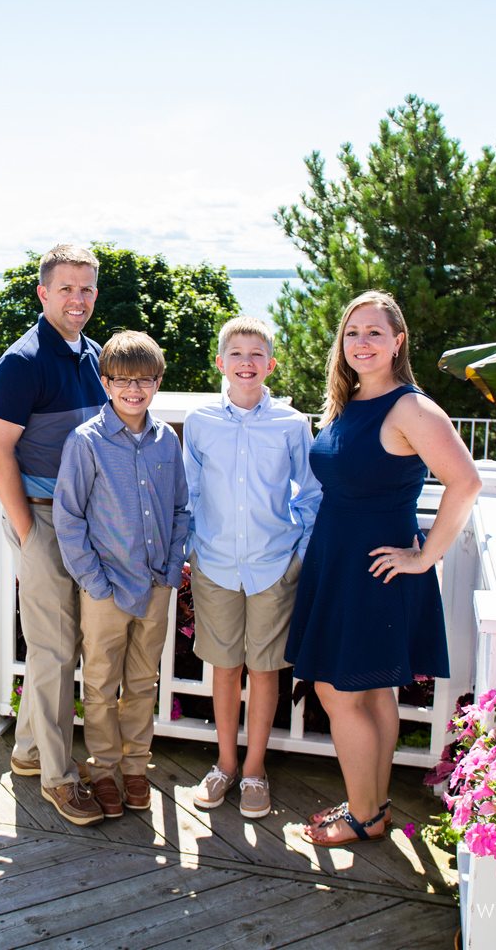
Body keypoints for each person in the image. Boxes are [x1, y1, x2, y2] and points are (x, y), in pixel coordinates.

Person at [286, 290, 481, 847]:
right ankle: (370, 808)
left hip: (375, 569)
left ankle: (364, 815)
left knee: (338, 691)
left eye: (374, 332)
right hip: (340, 560)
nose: (361, 343)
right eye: (352, 333)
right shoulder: (351, 402)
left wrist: (424, 556)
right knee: (370, 694)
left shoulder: (411, 408)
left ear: (398, 342)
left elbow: (465, 482)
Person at [0, 243, 108, 827]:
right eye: (66, 289)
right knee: (58, 648)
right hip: (42, 520)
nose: (77, 299)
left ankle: (30, 751)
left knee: (55, 645)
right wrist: (29, 531)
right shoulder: (22, 362)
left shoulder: (94, 356)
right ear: (43, 293)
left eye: (86, 289)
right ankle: (60, 779)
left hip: (86, 523)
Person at [182, 317, 320, 819]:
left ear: (271, 365)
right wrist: (192, 548)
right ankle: (224, 764)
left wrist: (298, 554)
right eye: (236, 353)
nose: (246, 362)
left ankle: (256, 769)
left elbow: (311, 491)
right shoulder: (199, 423)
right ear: (221, 363)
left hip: (273, 565)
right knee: (224, 667)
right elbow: (189, 492)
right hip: (215, 564)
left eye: (256, 354)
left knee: (264, 671)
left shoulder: (291, 423)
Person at [53, 331, 191, 819]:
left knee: (142, 682)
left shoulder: (166, 440)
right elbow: (69, 518)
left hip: (155, 585)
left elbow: (180, 508)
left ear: (158, 383)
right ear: (106, 382)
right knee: (100, 682)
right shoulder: (86, 442)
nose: (135, 390)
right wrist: (94, 582)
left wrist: (171, 572)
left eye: (145, 381)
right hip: (106, 587)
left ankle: (136, 767)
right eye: (123, 380)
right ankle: (104, 769)